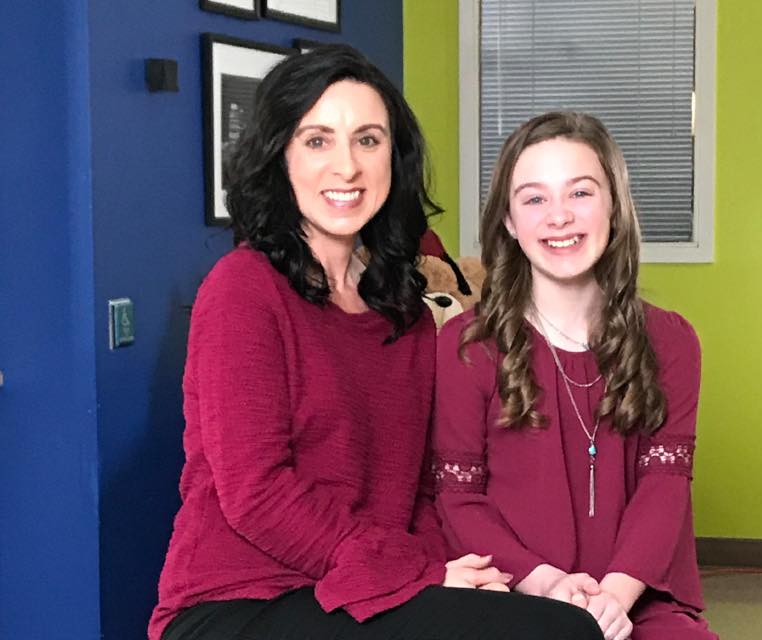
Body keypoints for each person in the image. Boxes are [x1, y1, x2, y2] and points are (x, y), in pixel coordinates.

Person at [149, 47, 604, 640]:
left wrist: (451, 570)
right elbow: (258, 495)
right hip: (240, 599)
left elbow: (418, 491)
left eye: (368, 140)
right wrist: (416, 573)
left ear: (395, 156)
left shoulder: (406, 312)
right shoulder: (242, 290)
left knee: (559, 623)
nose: (347, 167)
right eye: (317, 141)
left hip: (361, 592)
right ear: (279, 157)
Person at [432, 112, 718, 640]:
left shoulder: (673, 341)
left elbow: (664, 488)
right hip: (514, 590)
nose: (559, 216)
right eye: (535, 198)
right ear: (510, 224)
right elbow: (458, 497)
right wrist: (545, 585)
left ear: (614, 206)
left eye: (580, 193)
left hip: (634, 595)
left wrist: (613, 597)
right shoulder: (467, 346)